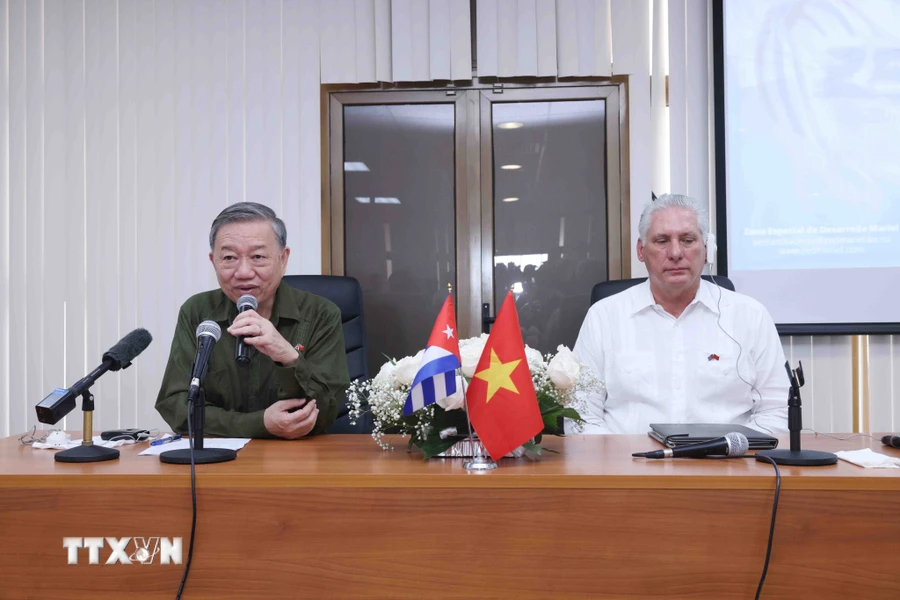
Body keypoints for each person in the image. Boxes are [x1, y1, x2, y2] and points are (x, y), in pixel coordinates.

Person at [569, 194, 788, 435]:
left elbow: (777, 411)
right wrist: (623, 464)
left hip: (727, 467)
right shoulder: (604, 317)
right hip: (630, 467)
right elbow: (579, 415)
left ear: (706, 250)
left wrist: (732, 457)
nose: (675, 252)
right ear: (641, 251)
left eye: (687, 240)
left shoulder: (749, 316)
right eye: (662, 240)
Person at [156, 202, 351, 439]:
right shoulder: (198, 312)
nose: (244, 272)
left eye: (258, 256)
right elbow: (176, 406)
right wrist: (260, 423)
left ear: (283, 258)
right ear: (213, 261)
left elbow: (329, 410)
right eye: (229, 257)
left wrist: (287, 356)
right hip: (217, 461)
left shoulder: (320, 314)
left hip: (298, 459)